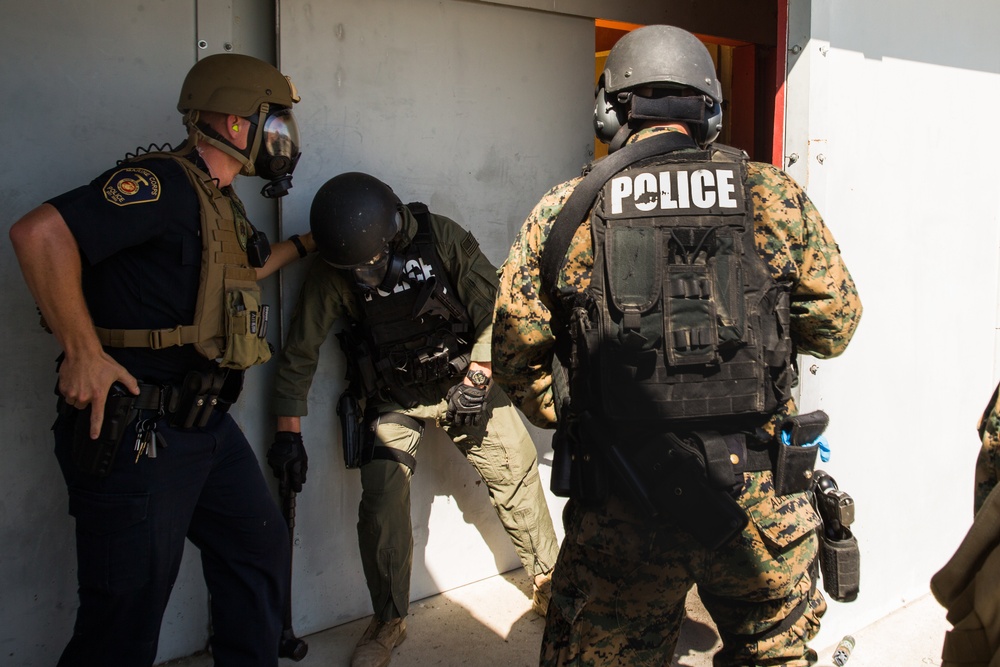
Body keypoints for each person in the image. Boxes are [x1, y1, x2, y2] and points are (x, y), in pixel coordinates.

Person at [492, 25, 863, 667]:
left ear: (609, 107)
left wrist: (597, 412)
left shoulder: (566, 211)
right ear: (710, 110)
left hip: (622, 500)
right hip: (760, 505)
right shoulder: (771, 195)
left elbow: (516, 357)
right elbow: (835, 326)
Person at [9, 53, 315, 667]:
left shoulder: (220, 201)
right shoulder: (162, 183)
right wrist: (84, 353)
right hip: (137, 431)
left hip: (203, 428)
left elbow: (245, 269)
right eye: (272, 123)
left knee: (257, 551)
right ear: (234, 123)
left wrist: (310, 244)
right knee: (124, 617)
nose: (281, 139)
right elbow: (39, 234)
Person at [267, 171, 560, 667]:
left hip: (464, 381)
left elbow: (497, 308)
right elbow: (300, 352)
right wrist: (287, 434)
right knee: (380, 501)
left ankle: (551, 586)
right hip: (393, 397)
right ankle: (388, 620)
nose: (363, 272)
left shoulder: (438, 237)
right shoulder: (333, 267)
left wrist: (480, 374)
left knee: (516, 470)